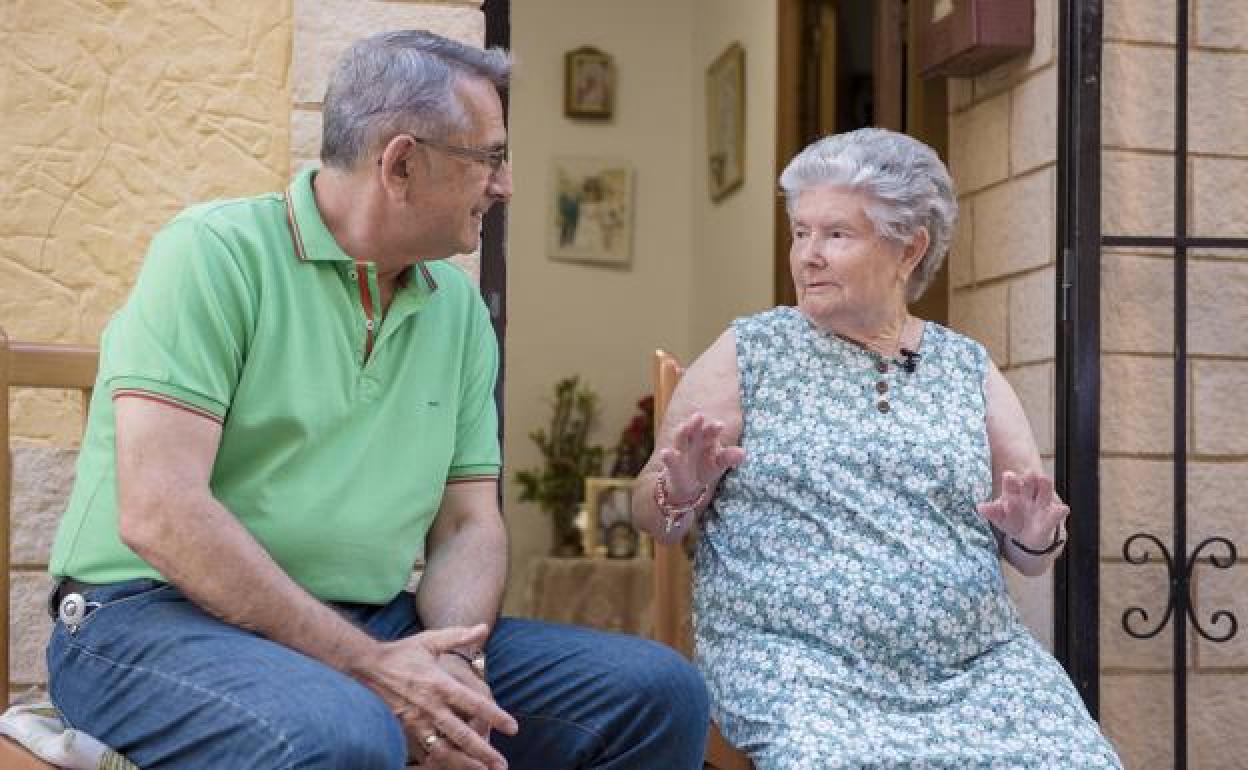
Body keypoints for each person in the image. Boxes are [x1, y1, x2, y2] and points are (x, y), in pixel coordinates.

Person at [45, 30, 708, 770]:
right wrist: (373, 669)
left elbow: (467, 526)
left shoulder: (457, 309)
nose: (506, 184)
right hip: (153, 619)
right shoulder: (214, 252)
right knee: (346, 733)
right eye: (490, 157)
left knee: (658, 694)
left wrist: (453, 665)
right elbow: (162, 512)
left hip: (372, 623)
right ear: (401, 164)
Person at [632, 128, 1123, 769]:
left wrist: (1034, 537)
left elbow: (1034, 546)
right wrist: (680, 488)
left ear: (908, 249)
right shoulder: (751, 351)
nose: (808, 255)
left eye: (836, 234)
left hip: (975, 667)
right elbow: (653, 515)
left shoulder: (967, 367)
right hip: (799, 663)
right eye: (800, 232)